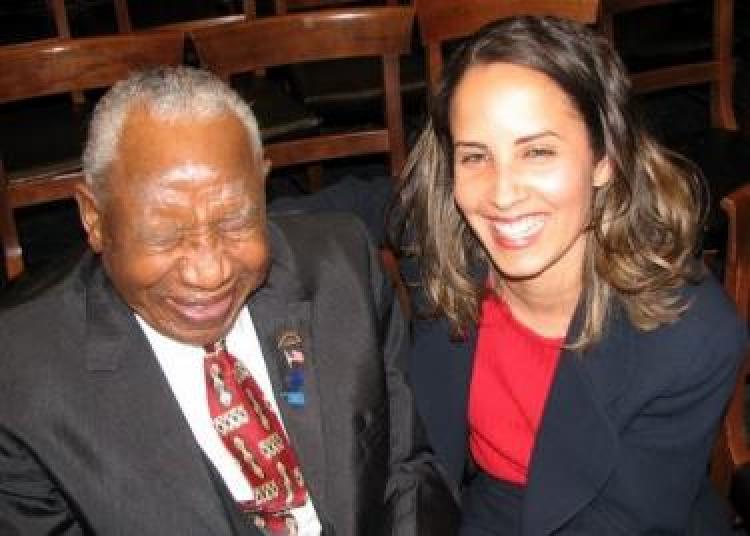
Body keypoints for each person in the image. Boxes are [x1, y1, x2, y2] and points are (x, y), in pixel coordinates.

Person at [0, 66, 456, 535]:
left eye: (236, 221)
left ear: (262, 185)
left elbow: (407, 471)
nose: (210, 271)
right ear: (94, 218)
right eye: (164, 236)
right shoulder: (20, 381)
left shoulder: (341, 270)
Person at [391, 16, 748, 535]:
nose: (503, 193)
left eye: (537, 151)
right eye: (476, 156)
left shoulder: (691, 337)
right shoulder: (443, 243)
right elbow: (351, 208)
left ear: (604, 158)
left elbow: (617, 524)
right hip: (480, 509)